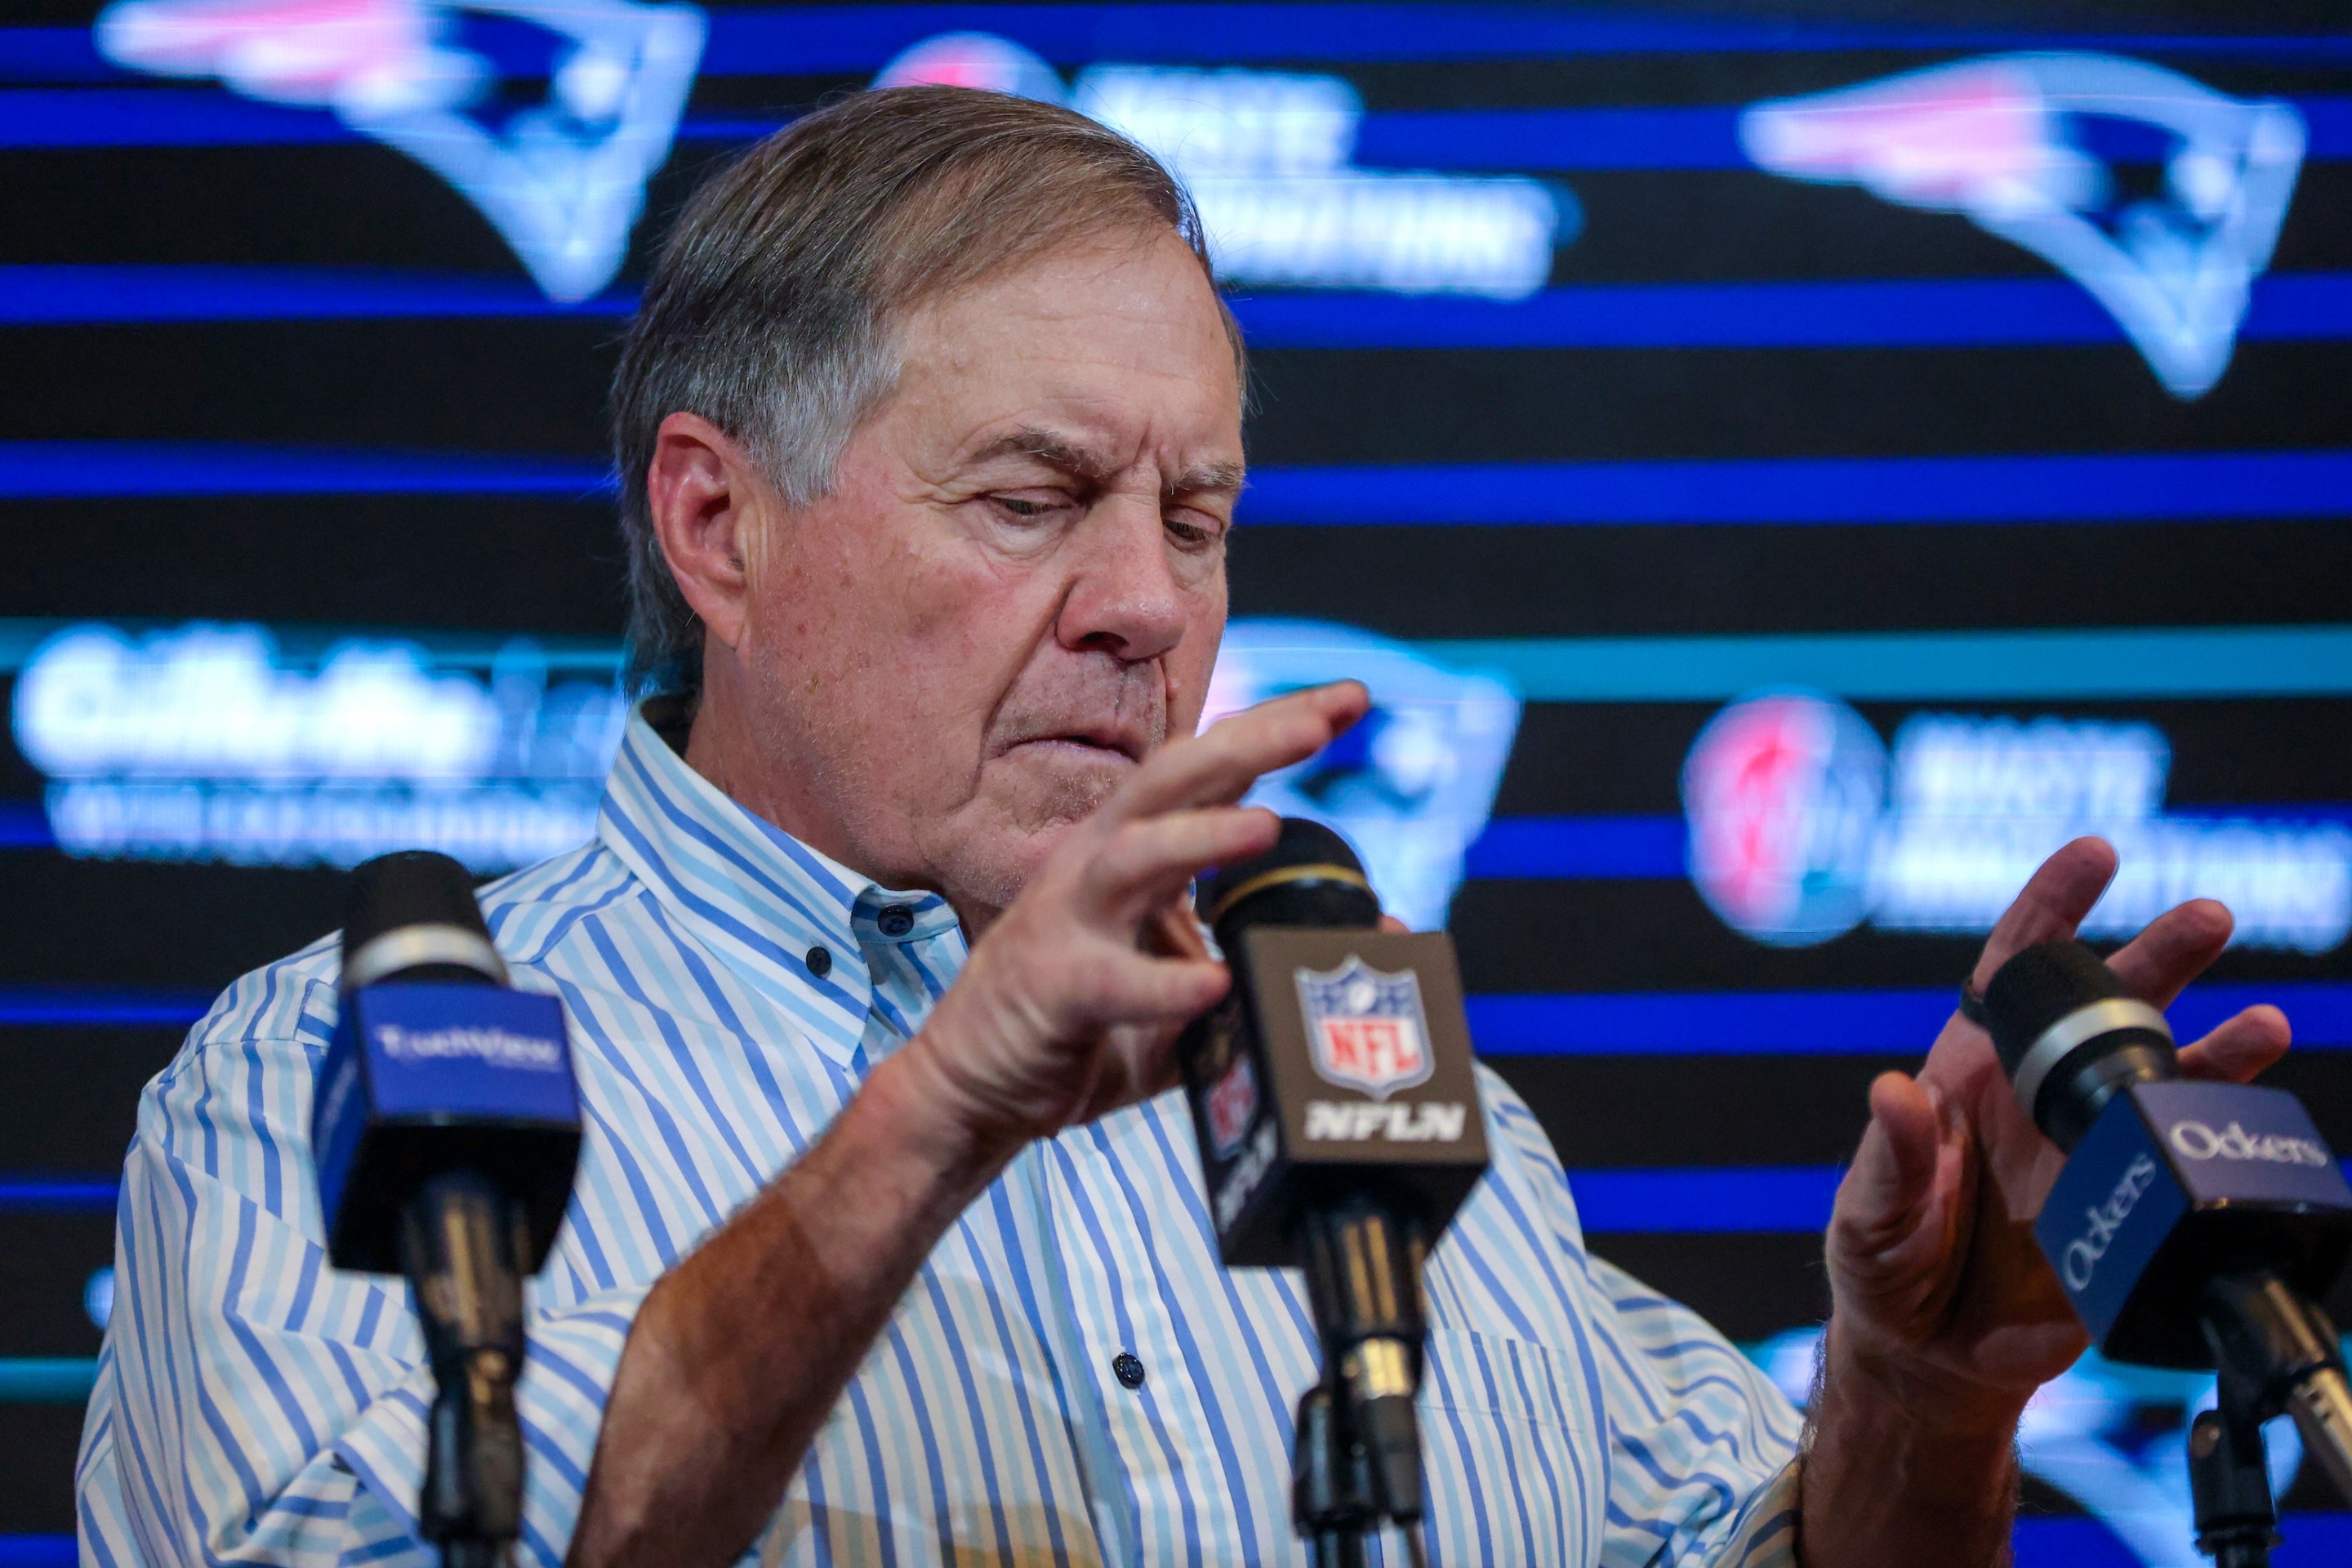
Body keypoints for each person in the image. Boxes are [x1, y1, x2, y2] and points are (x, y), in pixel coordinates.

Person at [76, 87, 2293, 1568]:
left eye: (1198, 514)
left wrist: (1916, 1398)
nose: (1147, 607)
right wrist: (937, 1113)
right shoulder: (328, 1086)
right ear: (719, 527)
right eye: (1034, 501)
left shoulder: (1382, 1101)